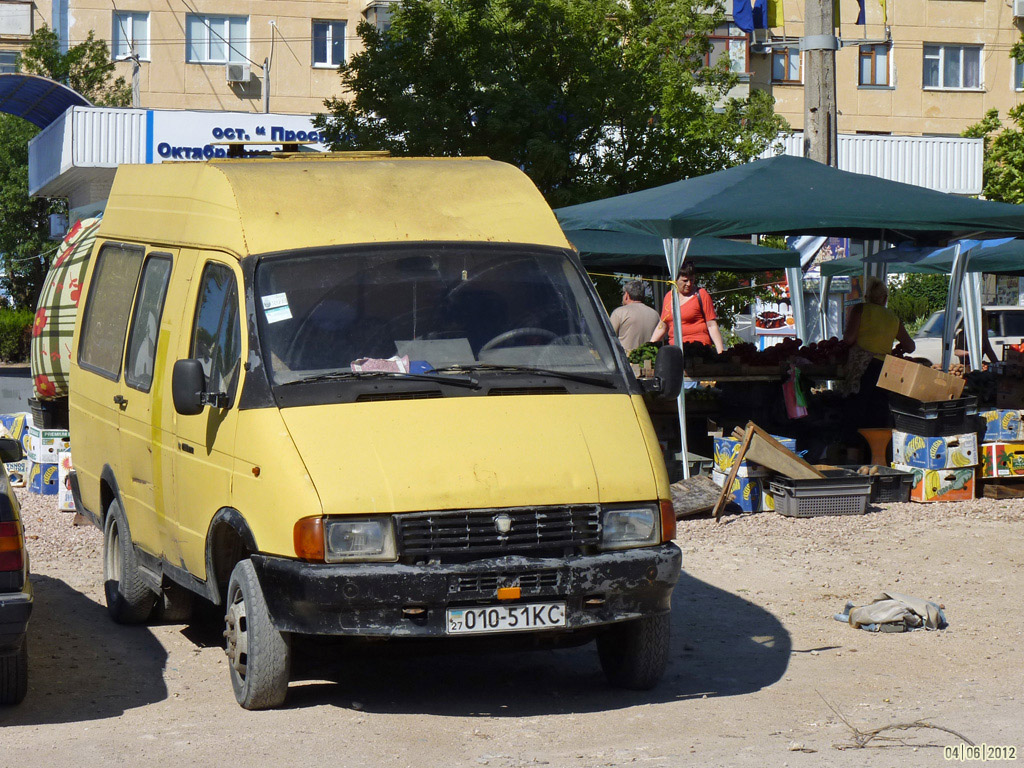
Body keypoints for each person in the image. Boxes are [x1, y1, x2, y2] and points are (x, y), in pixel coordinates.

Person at [842, 275, 916, 428]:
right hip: (883, 370)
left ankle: (854, 450)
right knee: (877, 414)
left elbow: (849, 339)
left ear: (867, 296)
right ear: (885, 298)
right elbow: (910, 346)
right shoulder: (893, 317)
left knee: (855, 413)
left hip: (862, 369)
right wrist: (898, 348)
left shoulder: (860, 309)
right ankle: (876, 449)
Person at [649, 263, 725, 353]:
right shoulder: (668, 297)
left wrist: (721, 351)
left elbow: (712, 325)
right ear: (675, 280)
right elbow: (662, 326)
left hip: (698, 349)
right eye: (685, 280)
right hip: (675, 350)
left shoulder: (701, 294)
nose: (689, 284)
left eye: (692, 280)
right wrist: (650, 345)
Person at [609, 281, 660, 353]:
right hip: (648, 360)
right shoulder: (655, 315)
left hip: (625, 361)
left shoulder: (619, 313)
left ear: (626, 295)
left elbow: (608, 338)